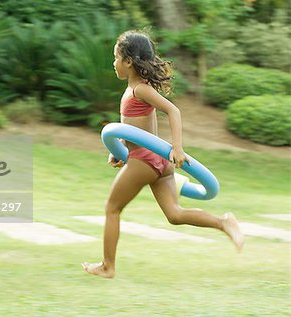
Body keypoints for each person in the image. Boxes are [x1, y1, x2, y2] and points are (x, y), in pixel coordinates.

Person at [81, 30, 244, 278]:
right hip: (158, 162)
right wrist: (122, 152)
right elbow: (135, 129)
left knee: (112, 208)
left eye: (116, 58)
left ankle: (108, 266)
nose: (113, 63)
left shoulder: (139, 90)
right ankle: (223, 222)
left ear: (128, 61)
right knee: (175, 215)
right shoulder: (136, 89)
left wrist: (177, 148)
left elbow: (173, 111)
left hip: (144, 161)